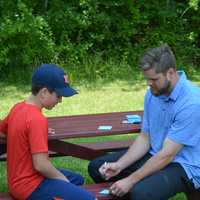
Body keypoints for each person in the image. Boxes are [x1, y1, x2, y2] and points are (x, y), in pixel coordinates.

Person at [88, 44, 200, 200]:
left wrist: (131, 179)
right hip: (157, 154)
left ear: (170, 73)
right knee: (97, 168)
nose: (148, 84)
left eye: (153, 79)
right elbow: (145, 138)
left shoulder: (192, 102)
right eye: (146, 79)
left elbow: (167, 155)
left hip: (185, 164)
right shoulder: (153, 93)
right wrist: (120, 165)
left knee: (141, 193)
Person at [0, 64, 96, 200]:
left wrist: (29, 135)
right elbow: (41, 165)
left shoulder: (18, 108)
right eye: (58, 96)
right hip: (30, 186)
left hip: (16, 181)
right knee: (90, 198)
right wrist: (63, 180)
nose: (60, 101)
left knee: (78, 180)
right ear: (44, 92)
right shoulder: (37, 119)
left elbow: (2, 132)